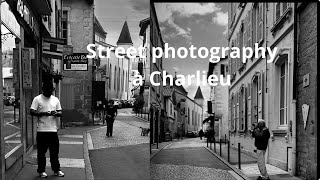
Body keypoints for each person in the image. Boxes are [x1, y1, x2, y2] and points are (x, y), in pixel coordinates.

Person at [30, 83, 64, 178]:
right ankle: (41, 171)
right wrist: (43, 113)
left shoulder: (55, 99)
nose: (49, 93)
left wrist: (56, 113)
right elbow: (32, 111)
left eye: (51, 91)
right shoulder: (37, 99)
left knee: (54, 152)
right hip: (41, 130)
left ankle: (56, 170)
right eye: (47, 91)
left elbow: (60, 112)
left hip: (53, 130)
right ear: (42, 89)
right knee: (41, 153)